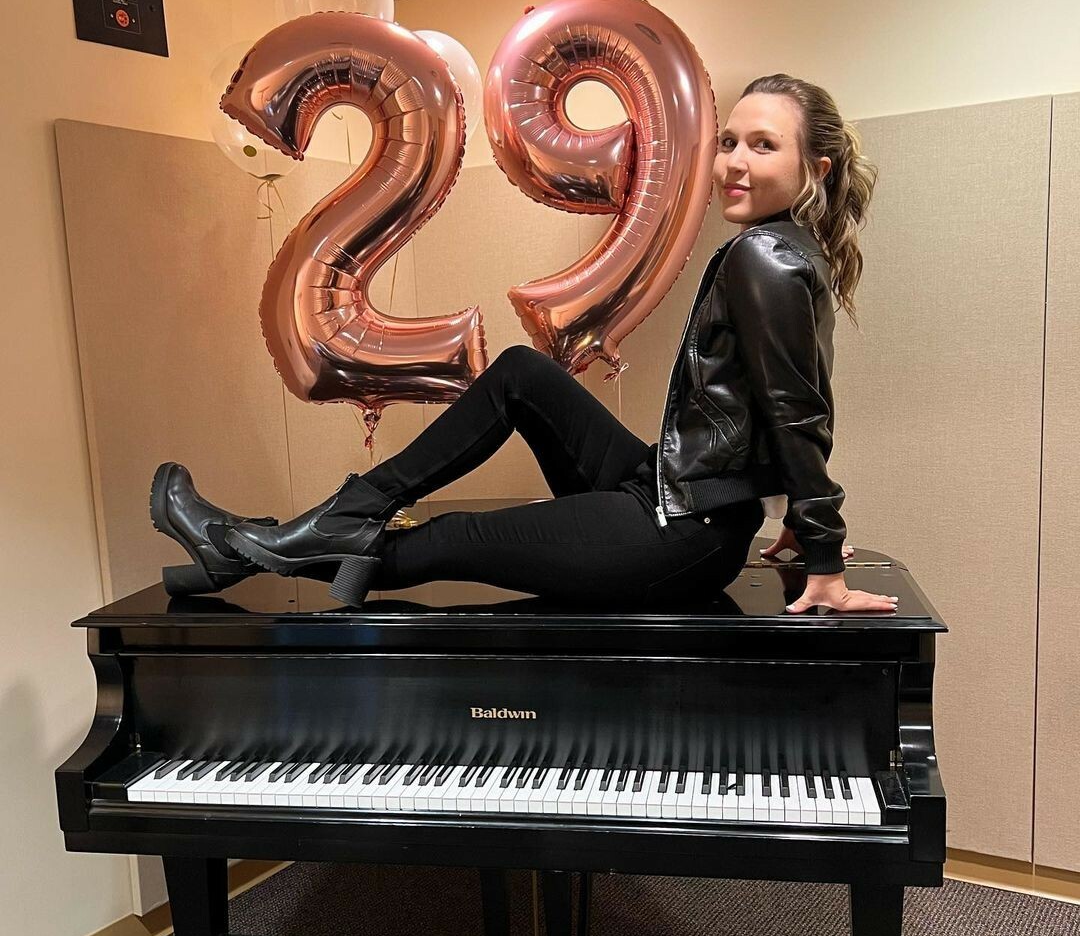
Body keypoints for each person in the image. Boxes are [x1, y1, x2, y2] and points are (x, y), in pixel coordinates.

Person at [151, 73, 898, 615]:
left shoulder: (763, 257)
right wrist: (798, 522)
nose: (733, 162)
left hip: (679, 533)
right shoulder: (790, 252)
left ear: (815, 168)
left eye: (763, 146)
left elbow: (797, 413)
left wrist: (823, 555)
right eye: (730, 141)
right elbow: (791, 403)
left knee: (452, 537)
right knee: (520, 374)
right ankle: (331, 517)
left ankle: (253, 547)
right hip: (676, 492)